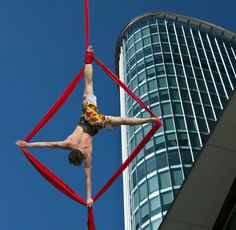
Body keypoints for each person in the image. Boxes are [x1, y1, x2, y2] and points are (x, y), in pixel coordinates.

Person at [16, 46, 161, 207]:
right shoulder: (68, 144)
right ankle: (88, 57)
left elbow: (87, 176)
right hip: (88, 116)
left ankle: (151, 121)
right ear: (72, 152)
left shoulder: (88, 154)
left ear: (82, 157)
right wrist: (28, 145)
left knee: (123, 121)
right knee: (88, 83)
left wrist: (88, 198)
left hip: (97, 123)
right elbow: (47, 144)